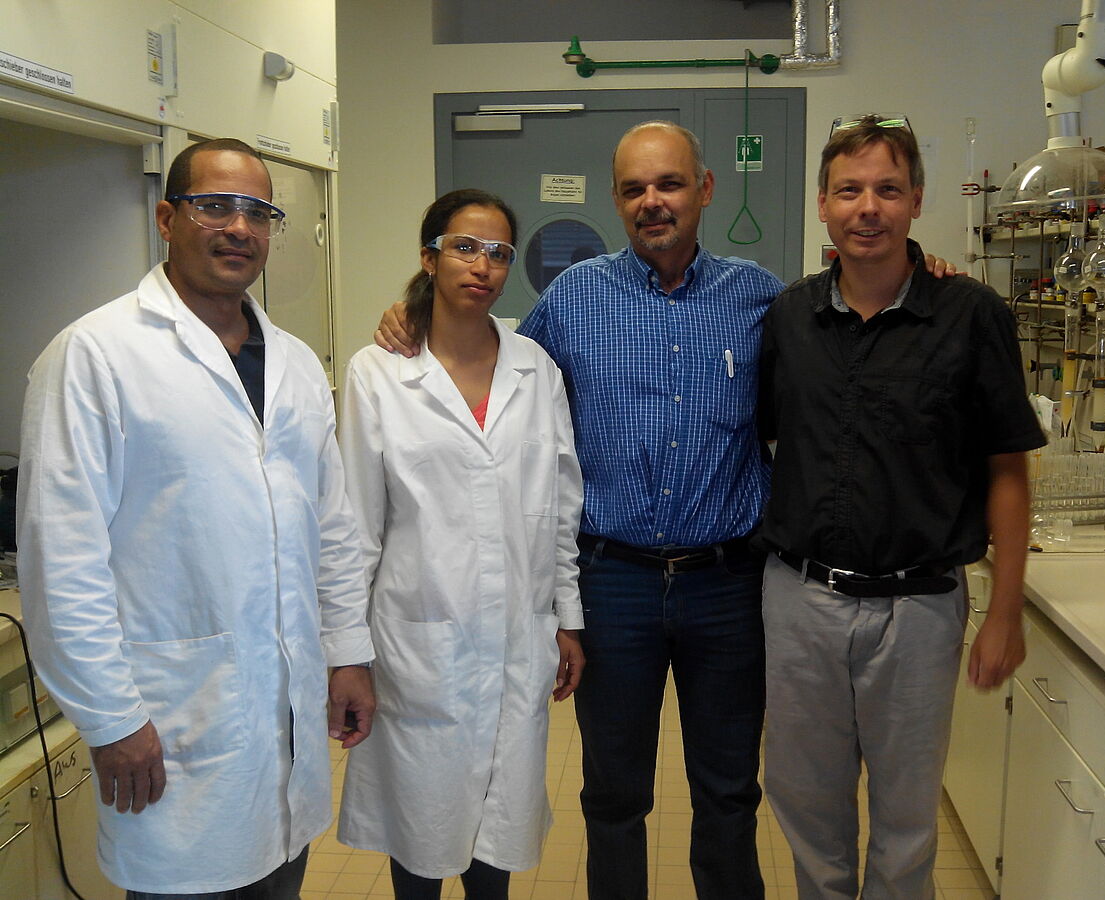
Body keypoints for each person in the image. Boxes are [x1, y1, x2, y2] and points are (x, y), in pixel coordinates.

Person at [375, 121, 955, 900]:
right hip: (614, 583)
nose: (653, 202)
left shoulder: (760, 299)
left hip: (729, 583)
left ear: (704, 190)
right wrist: (413, 311)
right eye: (634, 189)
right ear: (617, 201)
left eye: (670, 184)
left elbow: (850, 320)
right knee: (615, 794)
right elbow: (491, 356)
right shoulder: (574, 299)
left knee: (727, 789)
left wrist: (926, 274)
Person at [17, 138, 375, 900]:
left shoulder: (299, 364)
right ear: (166, 218)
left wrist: (347, 652)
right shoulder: (93, 357)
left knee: (281, 873)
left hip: (281, 727)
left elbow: (331, 530)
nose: (239, 227)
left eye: (257, 211)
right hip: (169, 725)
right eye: (215, 205)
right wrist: (111, 720)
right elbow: (61, 563)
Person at [755, 114, 1046, 899]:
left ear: (917, 200)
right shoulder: (788, 318)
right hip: (802, 600)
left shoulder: (972, 315)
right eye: (849, 190)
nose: (868, 207)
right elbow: (763, 438)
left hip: (919, 609)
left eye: (888, 188)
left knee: (907, 820)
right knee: (807, 805)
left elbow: (1007, 468)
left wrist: (1006, 611)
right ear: (822, 204)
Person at [336, 189, 585, 900]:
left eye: (499, 252)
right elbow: (357, 526)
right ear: (430, 256)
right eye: (465, 247)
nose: (483, 265)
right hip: (418, 644)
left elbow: (562, 506)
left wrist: (569, 617)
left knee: (498, 833)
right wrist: (347, 652)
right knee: (418, 830)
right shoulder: (378, 372)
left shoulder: (537, 370)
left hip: (516, 636)